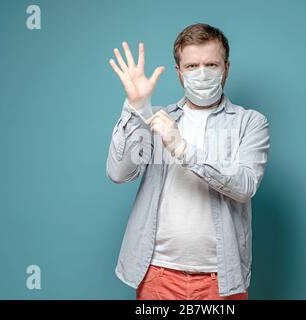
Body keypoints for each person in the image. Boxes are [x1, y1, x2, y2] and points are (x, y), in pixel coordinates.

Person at [107, 23, 270, 300]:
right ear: (179, 72)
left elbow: (245, 185)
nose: (202, 73)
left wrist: (182, 147)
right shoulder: (157, 118)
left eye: (211, 64)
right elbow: (119, 173)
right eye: (192, 66)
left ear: (226, 68)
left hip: (221, 278)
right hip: (158, 274)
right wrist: (135, 107)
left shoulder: (250, 122)